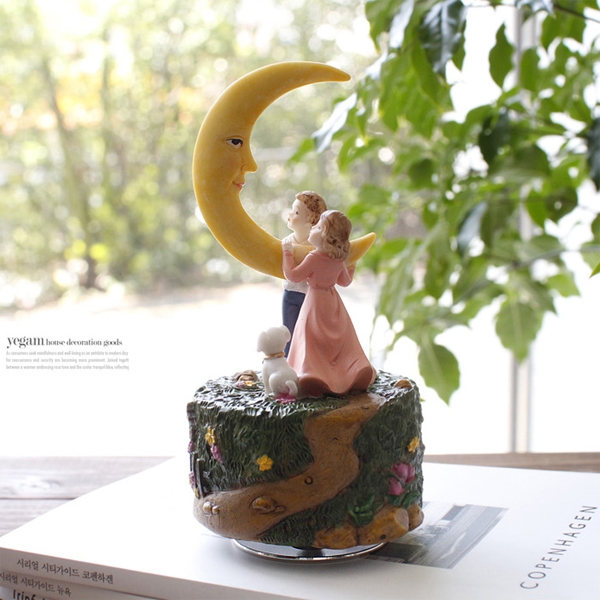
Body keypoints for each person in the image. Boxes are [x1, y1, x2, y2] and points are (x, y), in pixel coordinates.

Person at [282, 210, 376, 397]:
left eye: (318, 227)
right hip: (333, 303)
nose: (312, 228)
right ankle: (351, 370)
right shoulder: (338, 260)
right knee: (338, 341)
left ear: (328, 236)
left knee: (310, 338)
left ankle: (310, 373)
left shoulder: (314, 257)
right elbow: (345, 281)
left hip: (315, 302)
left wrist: (287, 253)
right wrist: (352, 265)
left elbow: (293, 275)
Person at [281, 191, 327, 356]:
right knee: (289, 333)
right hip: (290, 293)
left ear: (310, 220)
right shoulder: (286, 242)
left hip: (311, 296)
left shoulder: (318, 246)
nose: (289, 215)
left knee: (311, 333)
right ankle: (289, 361)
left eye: (296, 212)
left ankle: (311, 362)